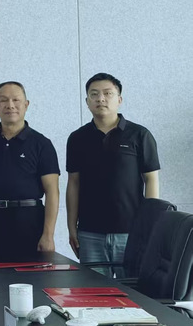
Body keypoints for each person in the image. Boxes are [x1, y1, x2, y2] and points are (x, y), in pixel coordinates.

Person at [66, 73, 160, 276]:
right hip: (90, 232)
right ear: (87, 101)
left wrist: (148, 224)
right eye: (94, 94)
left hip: (131, 231)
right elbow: (73, 183)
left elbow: (151, 179)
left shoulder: (139, 135)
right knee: (94, 290)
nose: (101, 99)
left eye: (108, 93)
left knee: (133, 289)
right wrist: (71, 227)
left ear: (119, 99)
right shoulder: (77, 138)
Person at [0, 81, 60, 258]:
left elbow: (52, 192)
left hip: (29, 225)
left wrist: (48, 235)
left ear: (26, 105)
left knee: (29, 275)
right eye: (3, 100)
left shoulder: (42, 144)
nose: (10, 105)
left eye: (16, 100)